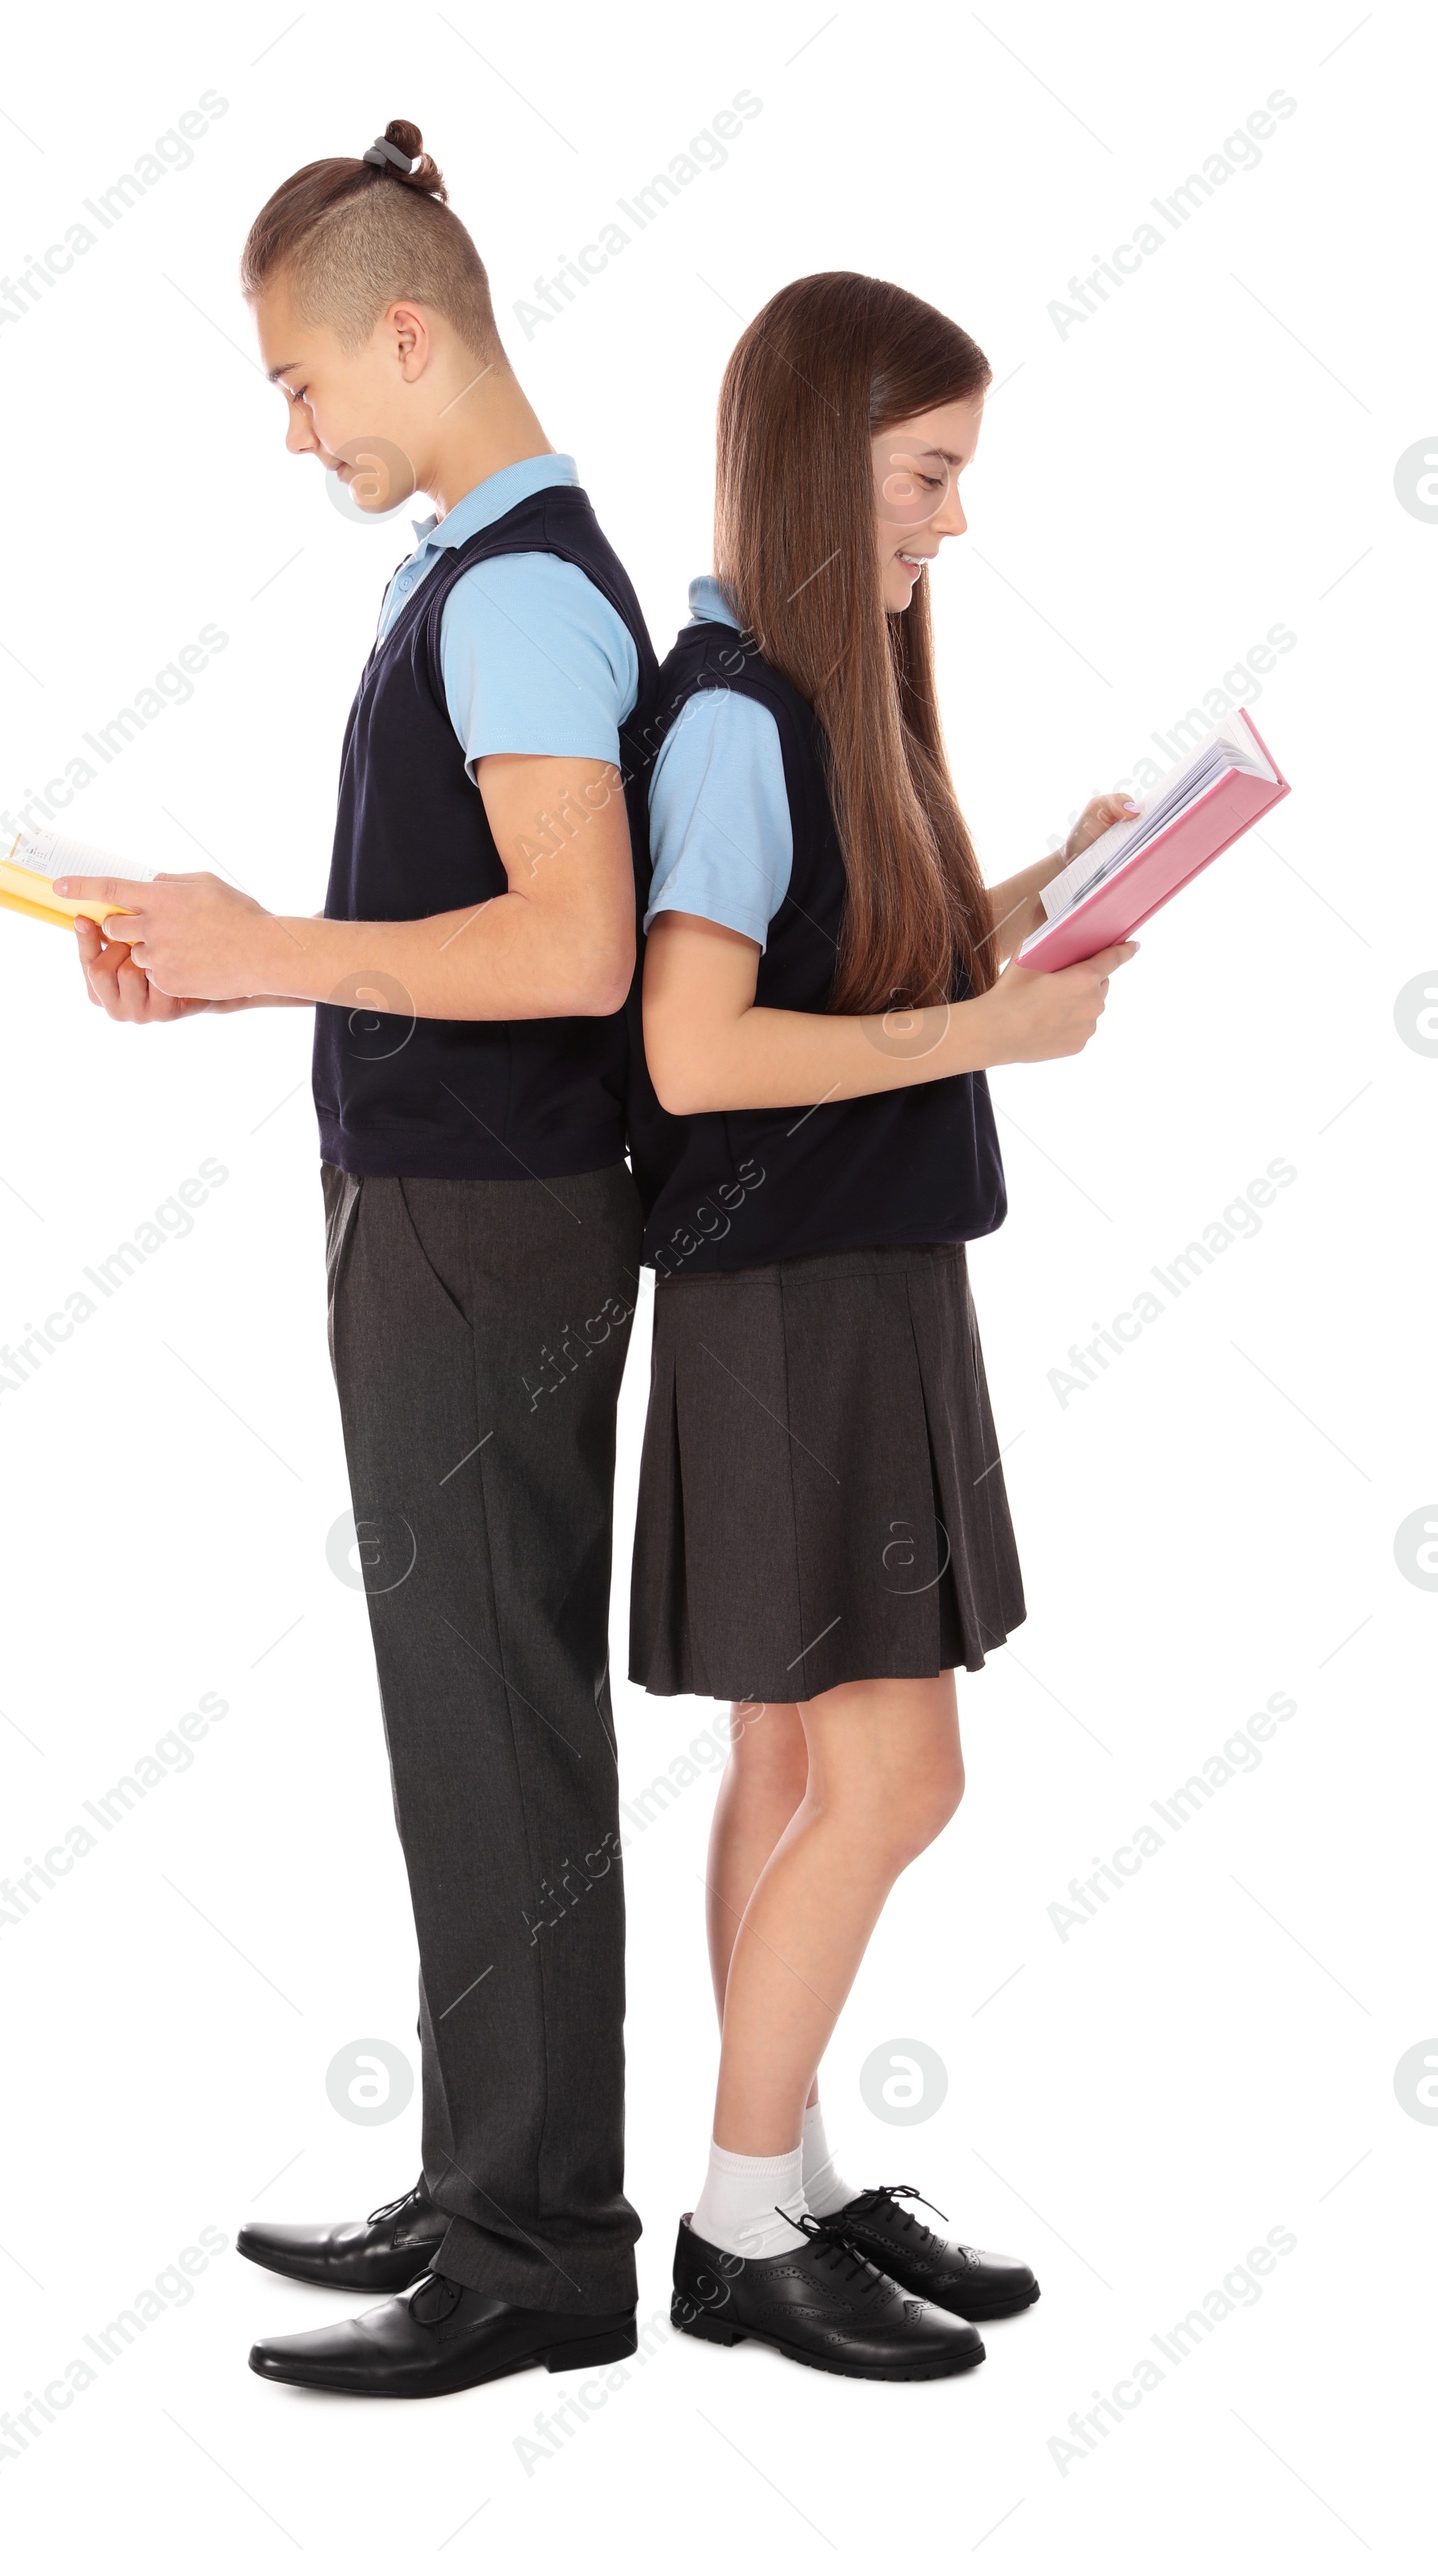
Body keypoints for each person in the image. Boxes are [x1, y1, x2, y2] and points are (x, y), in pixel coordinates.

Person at [56, 123, 658, 2398]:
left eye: (303, 384)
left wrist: (261, 946)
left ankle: (536, 2252)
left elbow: (573, 940)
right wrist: (226, 969)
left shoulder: (512, 584)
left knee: (491, 1709)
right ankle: (491, 2170)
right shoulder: (471, 564)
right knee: (461, 1711)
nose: (294, 429)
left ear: (406, 336)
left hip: (484, 1227)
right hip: (442, 1209)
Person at [625, 270, 1139, 2381]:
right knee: (893, 1772)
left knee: (786, 1759)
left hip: (838, 1289)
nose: (948, 518)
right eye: (927, 474)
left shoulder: (813, 703)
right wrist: (994, 1021)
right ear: (825, 466)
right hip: (799, 1306)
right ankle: (739, 2222)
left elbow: (840, 978)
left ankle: (787, 2163)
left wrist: (1039, 886)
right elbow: (691, 1051)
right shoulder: (740, 710)